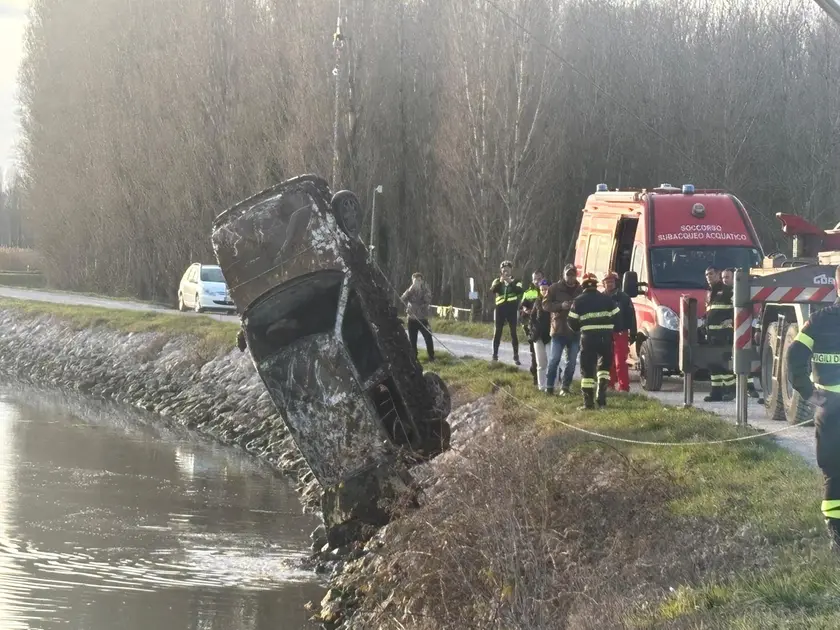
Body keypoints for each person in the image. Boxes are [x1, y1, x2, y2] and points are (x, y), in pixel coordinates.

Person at [787, 264, 840, 550]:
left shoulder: (818, 321)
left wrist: (808, 393)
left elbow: (794, 355)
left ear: (836, 285)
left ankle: (837, 535)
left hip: (830, 407)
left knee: (834, 471)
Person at [567, 273, 621, 410]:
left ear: (583, 285)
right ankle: (601, 398)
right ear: (596, 284)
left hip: (588, 338)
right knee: (604, 368)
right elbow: (618, 317)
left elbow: (571, 322)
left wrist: (582, 328)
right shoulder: (607, 299)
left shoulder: (578, 301)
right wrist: (609, 327)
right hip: (605, 338)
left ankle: (588, 403)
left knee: (587, 371)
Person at [544, 264, 582, 395]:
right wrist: (561, 305)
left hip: (575, 332)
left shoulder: (580, 289)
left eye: (573, 275)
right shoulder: (554, 288)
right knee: (554, 359)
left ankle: (565, 388)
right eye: (568, 275)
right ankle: (549, 387)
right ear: (563, 275)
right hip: (558, 330)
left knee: (571, 363)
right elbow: (545, 305)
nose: (570, 277)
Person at [704, 266, 735, 402]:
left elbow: (738, 308)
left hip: (724, 334)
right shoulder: (711, 293)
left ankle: (730, 391)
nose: (708, 277)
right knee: (713, 365)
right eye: (706, 275)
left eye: (711, 274)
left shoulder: (727, 290)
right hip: (712, 334)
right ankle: (716, 392)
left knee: (724, 363)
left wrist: (731, 320)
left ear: (718, 275)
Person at [602, 271, 636, 392]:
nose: (609, 284)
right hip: (605, 334)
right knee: (607, 361)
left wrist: (633, 333)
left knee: (620, 362)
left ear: (616, 283)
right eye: (607, 281)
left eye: (611, 281)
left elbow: (631, 316)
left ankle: (624, 388)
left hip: (620, 333)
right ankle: (609, 385)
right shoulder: (600, 298)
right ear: (603, 283)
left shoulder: (624, 297)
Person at [490, 260, 524, 365]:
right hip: (500, 309)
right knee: (497, 332)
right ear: (501, 270)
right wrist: (501, 281)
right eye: (504, 269)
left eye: (508, 269)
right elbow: (493, 290)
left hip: (512, 309)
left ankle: (516, 356)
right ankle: (495, 355)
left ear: (511, 270)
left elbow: (519, 291)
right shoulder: (497, 280)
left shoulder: (517, 280)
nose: (506, 271)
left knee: (513, 332)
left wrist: (510, 282)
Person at [520, 269, 546, 385]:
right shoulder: (528, 292)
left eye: (539, 278)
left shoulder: (548, 290)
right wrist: (526, 311)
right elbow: (522, 307)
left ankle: (553, 378)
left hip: (546, 327)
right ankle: (536, 378)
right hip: (532, 327)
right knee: (535, 354)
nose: (537, 281)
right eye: (535, 278)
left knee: (549, 354)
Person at [401, 272, 435, 361]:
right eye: (415, 281)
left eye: (419, 281)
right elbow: (402, 299)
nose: (417, 282)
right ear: (412, 281)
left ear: (421, 281)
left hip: (423, 319)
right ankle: (414, 358)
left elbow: (427, 300)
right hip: (411, 319)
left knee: (428, 337)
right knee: (412, 341)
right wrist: (411, 290)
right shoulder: (410, 291)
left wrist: (420, 290)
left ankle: (431, 356)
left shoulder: (425, 290)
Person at [528, 279, 552, 391]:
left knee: (552, 361)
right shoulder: (537, 302)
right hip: (538, 336)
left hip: (550, 336)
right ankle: (541, 386)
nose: (544, 291)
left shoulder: (553, 301)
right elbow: (532, 318)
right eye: (542, 289)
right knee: (541, 363)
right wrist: (532, 331)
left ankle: (552, 385)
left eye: (546, 289)